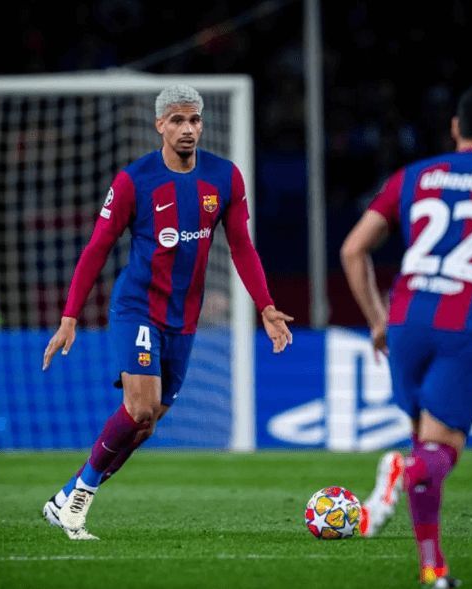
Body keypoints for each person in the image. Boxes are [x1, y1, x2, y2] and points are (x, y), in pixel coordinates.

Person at [41, 85, 294, 540]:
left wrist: (267, 306)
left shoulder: (225, 178)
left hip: (184, 318)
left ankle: (64, 497)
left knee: (145, 425)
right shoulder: (133, 181)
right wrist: (70, 315)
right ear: (159, 125)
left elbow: (241, 246)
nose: (187, 129)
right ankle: (78, 500)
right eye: (177, 121)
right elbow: (98, 248)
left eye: (194, 120)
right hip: (137, 307)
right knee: (138, 408)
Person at [340, 84, 472, 588]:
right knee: (439, 453)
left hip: (406, 320)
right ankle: (403, 473)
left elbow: (352, 250)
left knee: (426, 442)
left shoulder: (412, 176)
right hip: (467, 322)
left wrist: (377, 318)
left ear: (455, 127)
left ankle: (433, 570)